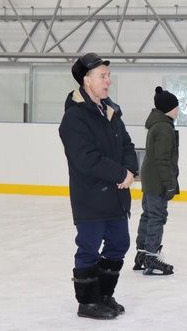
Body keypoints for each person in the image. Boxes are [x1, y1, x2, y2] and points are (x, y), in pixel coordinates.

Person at [59, 52, 138, 320]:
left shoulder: (111, 112)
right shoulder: (74, 118)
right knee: (89, 248)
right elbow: (86, 159)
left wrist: (130, 171)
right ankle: (87, 302)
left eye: (109, 76)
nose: (108, 81)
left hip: (117, 195)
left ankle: (103, 295)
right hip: (91, 197)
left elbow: (127, 144)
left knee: (119, 243)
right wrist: (120, 173)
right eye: (103, 76)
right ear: (86, 80)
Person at [133, 86, 179, 275]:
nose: (178, 110)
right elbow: (163, 160)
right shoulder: (164, 128)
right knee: (157, 217)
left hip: (149, 178)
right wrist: (170, 184)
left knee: (148, 215)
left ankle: (142, 254)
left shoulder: (157, 125)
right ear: (168, 108)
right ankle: (151, 257)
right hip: (158, 180)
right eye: (176, 107)